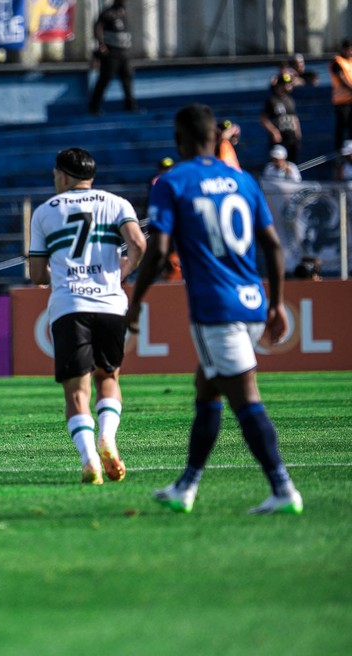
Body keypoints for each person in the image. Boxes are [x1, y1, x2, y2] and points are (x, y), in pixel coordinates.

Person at [127, 103, 303, 515]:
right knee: (207, 389)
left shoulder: (173, 181)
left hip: (216, 308)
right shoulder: (243, 180)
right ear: (217, 138)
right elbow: (273, 246)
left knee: (245, 398)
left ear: (180, 139)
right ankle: (186, 486)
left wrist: (135, 301)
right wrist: (276, 304)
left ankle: (282, 487)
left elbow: (160, 250)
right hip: (253, 302)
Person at [28, 147, 146, 484]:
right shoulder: (117, 203)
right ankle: (107, 437)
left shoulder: (45, 212)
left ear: (64, 176)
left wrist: (64, 273)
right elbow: (138, 244)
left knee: (76, 394)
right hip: (110, 304)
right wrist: (122, 270)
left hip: (70, 306)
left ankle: (90, 459)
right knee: (108, 378)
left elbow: (37, 274)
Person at [88, 0, 137, 115]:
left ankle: (130, 106)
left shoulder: (123, 13)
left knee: (127, 78)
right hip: (111, 54)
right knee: (105, 79)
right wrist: (101, 45)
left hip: (123, 53)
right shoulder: (108, 13)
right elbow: (98, 27)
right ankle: (94, 108)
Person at [260, 74, 302, 163]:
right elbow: (263, 119)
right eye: (286, 84)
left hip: (291, 139)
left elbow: (294, 118)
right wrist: (274, 131)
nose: (289, 85)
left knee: (292, 164)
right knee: (278, 164)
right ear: (280, 85)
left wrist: (298, 134)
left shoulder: (290, 100)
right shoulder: (272, 100)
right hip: (280, 139)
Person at [330, 39, 352, 153]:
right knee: (342, 125)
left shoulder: (350, 61)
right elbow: (341, 78)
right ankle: (339, 150)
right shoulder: (337, 61)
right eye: (349, 49)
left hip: (351, 100)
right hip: (342, 101)